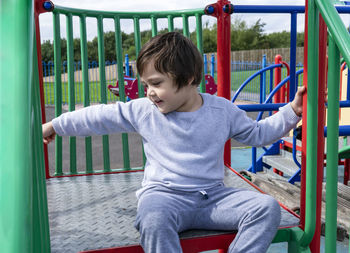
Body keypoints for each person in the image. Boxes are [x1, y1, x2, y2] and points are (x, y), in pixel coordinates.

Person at [42, 32, 305, 253]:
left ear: (189, 78)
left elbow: (257, 134)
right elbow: (99, 116)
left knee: (266, 208)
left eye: (156, 83)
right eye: (146, 85)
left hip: (213, 197)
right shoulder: (144, 110)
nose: (149, 92)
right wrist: (55, 124)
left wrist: (292, 111)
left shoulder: (221, 111)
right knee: (153, 219)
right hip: (164, 196)